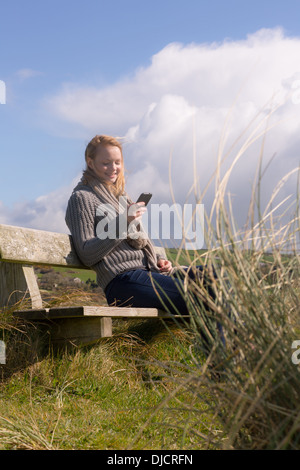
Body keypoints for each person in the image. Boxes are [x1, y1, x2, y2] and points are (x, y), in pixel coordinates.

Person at [65, 134, 217, 321]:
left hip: (150, 272)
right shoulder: (81, 198)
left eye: (117, 162)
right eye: (106, 163)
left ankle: (232, 346)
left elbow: (141, 240)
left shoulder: (121, 196)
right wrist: (124, 222)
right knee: (198, 297)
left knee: (219, 278)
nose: (113, 168)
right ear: (90, 162)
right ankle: (224, 348)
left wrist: (160, 259)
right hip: (122, 282)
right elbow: (87, 253)